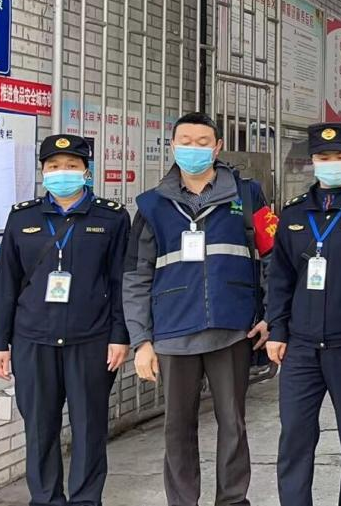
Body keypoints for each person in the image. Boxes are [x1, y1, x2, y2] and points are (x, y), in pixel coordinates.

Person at [123, 112, 273, 506]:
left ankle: (232, 501)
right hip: (173, 332)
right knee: (177, 429)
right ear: (173, 146)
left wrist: (270, 315)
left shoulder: (248, 195)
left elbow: (274, 259)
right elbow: (136, 276)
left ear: (217, 146)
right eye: (185, 141)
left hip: (233, 329)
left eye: (203, 142)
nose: (194, 148)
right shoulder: (151, 205)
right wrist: (141, 340)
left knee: (233, 425)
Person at [0, 134, 131, 506]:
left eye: (71, 166)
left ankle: (85, 500)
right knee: (39, 430)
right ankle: (45, 499)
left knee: (89, 429)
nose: (62, 172)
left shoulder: (112, 217)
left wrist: (120, 335)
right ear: (43, 171)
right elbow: (5, 283)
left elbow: (121, 282)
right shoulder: (23, 217)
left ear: (86, 171)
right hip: (33, 339)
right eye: (54, 166)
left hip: (91, 340)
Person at [264, 122, 341, 506]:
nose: (332, 163)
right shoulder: (293, 213)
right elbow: (280, 277)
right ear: (313, 161)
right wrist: (277, 330)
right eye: (324, 157)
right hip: (301, 348)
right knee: (294, 439)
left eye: (340, 156)